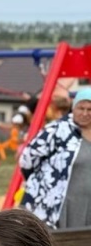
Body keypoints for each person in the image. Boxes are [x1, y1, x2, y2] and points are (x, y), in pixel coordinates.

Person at [20, 87, 91, 229]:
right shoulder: (56, 130)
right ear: (73, 108)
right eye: (80, 108)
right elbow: (27, 159)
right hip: (58, 205)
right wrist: (41, 182)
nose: (85, 113)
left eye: (90, 109)